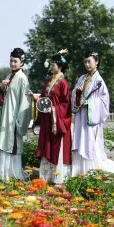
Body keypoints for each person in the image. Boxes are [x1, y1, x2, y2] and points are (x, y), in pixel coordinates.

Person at [71, 52, 114, 175]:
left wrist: (88, 103)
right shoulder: (82, 78)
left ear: (96, 62)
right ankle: (79, 169)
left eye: (89, 61)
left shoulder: (99, 81)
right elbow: (74, 93)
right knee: (80, 139)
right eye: (85, 62)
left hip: (91, 116)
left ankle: (91, 169)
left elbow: (104, 101)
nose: (87, 64)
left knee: (90, 142)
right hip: (81, 115)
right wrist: (77, 97)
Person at [0, 47, 33, 181]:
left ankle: (13, 174)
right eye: (11, 61)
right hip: (5, 117)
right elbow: (1, 100)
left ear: (22, 62)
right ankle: (2, 173)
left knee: (12, 145)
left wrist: (20, 123)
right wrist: (2, 90)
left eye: (15, 61)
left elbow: (25, 103)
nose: (12, 64)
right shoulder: (8, 77)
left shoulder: (22, 79)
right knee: (3, 144)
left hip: (14, 119)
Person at [36, 50, 72, 184]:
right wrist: (36, 99)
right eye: (50, 65)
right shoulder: (47, 81)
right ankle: (47, 176)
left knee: (56, 145)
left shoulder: (63, 83)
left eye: (53, 65)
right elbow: (43, 97)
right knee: (47, 145)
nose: (51, 67)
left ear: (60, 66)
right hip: (47, 118)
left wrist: (54, 109)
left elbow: (66, 104)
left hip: (57, 119)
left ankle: (58, 176)